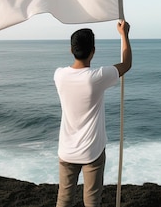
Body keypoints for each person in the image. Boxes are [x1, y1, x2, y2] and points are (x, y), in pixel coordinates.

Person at [54, 20, 132, 207]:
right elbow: (126, 64)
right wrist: (124, 35)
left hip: (66, 150)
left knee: (64, 199)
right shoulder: (96, 78)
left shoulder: (59, 75)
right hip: (92, 151)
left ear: (71, 50)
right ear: (93, 51)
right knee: (92, 200)